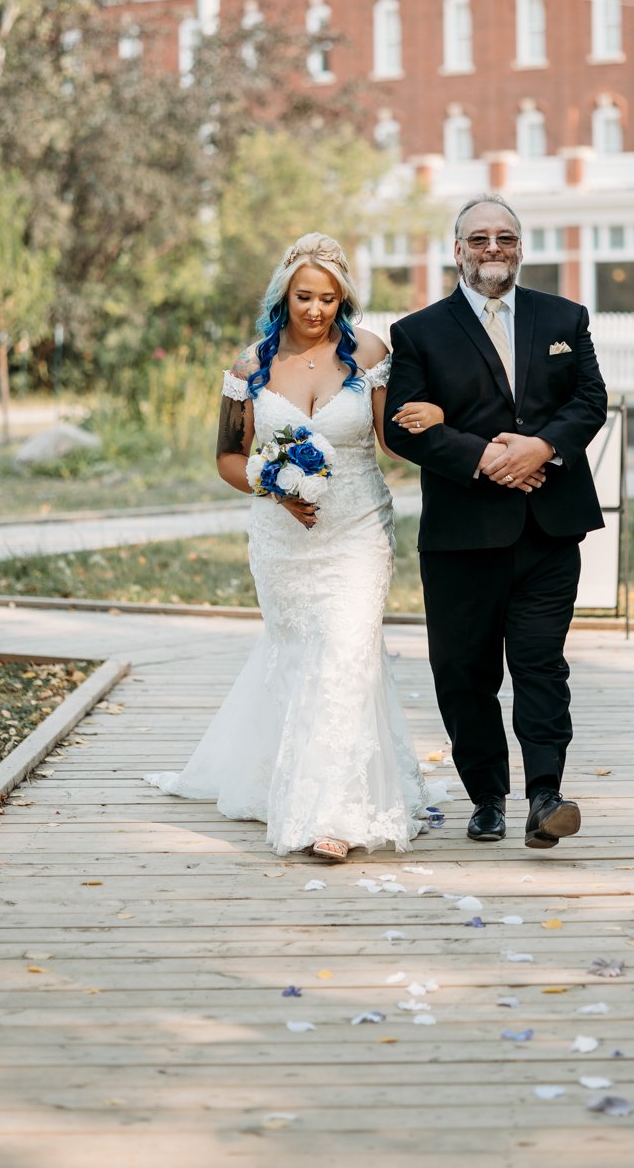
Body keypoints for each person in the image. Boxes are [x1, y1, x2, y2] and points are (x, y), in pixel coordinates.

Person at [145, 232, 432, 862]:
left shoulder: (370, 352)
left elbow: (389, 443)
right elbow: (227, 457)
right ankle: (287, 775)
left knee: (346, 655)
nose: (317, 310)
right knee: (300, 653)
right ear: (284, 294)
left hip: (357, 530)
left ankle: (334, 814)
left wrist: (434, 421)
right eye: (305, 296)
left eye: (329, 299)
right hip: (281, 540)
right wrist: (273, 488)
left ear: (344, 299)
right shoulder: (250, 366)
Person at [386, 194, 607, 850]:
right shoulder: (419, 332)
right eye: (478, 238)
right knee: (465, 671)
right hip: (462, 534)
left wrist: (541, 447)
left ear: (519, 247)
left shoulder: (564, 317)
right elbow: (404, 426)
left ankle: (545, 795)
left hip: (549, 527)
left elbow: (589, 400)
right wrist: (484, 456)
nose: (492, 249)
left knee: (541, 665)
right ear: (458, 250)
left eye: (504, 238)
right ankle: (487, 797)